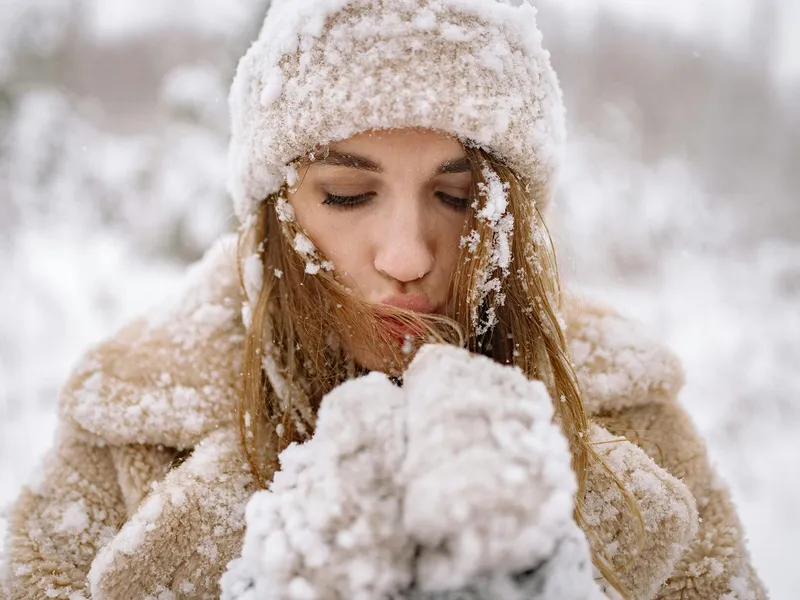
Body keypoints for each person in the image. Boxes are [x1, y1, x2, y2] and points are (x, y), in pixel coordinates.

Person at [1, 1, 766, 599]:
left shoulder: (629, 414)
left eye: (459, 197)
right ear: (275, 213)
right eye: (346, 194)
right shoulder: (129, 423)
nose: (407, 257)